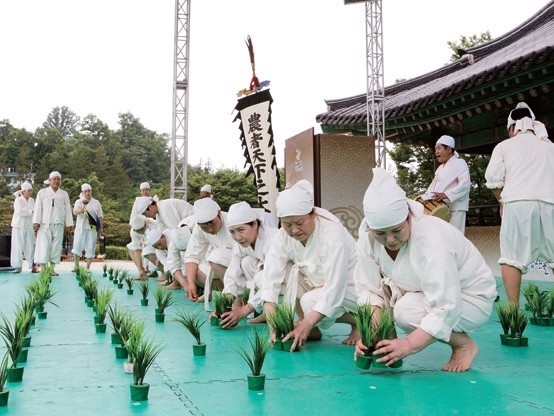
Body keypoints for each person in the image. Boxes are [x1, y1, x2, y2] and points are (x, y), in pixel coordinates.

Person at [354, 168, 496, 372]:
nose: (390, 240)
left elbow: (446, 305)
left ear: (409, 215)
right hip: (419, 292)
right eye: (380, 233)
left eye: (396, 230)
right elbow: (369, 290)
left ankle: (463, 345)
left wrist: (409, 345)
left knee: (406, 311)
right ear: (370, 227)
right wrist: (369, 335)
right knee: (399, 308)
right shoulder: (366, 241)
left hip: (470, 298)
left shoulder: (431, 239)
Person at [260, 180, 359, 351]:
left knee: (309, 301)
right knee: (286, 270)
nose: (294, 230)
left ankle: (361, 321)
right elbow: (269, 280)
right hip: (318, 284)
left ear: (313, 214)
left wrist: (305, 322)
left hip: (353, 288)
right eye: (287, 224)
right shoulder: (283, 236)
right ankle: (312, 329)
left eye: (299, 223)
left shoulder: (332, 234)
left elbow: (335, 287)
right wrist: (273, 327)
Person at [485, 102, 554, 305]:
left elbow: (493, 180)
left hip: (517, 204)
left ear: (511, 127)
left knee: (512, 258)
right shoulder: (550, 146)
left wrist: (501, 202)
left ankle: (514, 312)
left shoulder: (504, 146)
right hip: (551, 203)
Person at [216, 201, 278, 328]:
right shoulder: (240, 246)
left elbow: (271, 280)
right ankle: (267, 311)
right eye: (232, 232)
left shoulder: (272, 239)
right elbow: (232, 274)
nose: (237, 237)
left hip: (286, 279)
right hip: (268, 279)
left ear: (254, 224)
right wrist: (222, 307)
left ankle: (272, 311)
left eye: (241, 230)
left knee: (261, 276)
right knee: (246, 262)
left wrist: (244, 310)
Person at [184, 198, 234, 307]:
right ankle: (225, 292)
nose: (210, 230)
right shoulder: (199, 229)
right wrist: (191, 283)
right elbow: (192, 256)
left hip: (243, 266)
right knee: (194, 274)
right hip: (224, 266)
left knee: (215, 257)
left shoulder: (232, 222)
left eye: (213, 224)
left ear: (219, 213)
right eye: (205, 227)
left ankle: (234, 295)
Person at [420, 135, 471, 234]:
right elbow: (432, 187)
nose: (436, 152)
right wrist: (424, 198)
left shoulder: (460, 163)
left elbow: (465, 185)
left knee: (455, 235)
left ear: (449, 149)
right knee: (443, 236)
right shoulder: (440, 168)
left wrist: (446, 194)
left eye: (439, 148)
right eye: (435, 149)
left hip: (456, 207)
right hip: (440, 207)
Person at [32, 171, 73, 276]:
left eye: (58, 179)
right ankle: (44, 268)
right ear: (49, 180)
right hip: (45, 224)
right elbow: (37, 208)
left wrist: (69, 223)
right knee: (44, 246)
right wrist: (36, 221)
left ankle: (52, 269)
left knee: (56, 247)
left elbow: (68, 209)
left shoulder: (64, 194)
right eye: (54, 179)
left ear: (60, 181)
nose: (56, 181)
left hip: (58, 224)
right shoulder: (42, 192)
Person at [71, 183, 103, 271]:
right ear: (83, 192)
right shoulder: (79, 201)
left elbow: (100, 216)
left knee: (91, 247)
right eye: (86, 191)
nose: (88, 193)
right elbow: (75, 212)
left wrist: (100, 228)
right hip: (81, 227)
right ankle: (76, 266)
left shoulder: (96, 202)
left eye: (89, 191)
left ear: (91, 191)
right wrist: (82, 209)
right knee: (77, 246)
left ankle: (88, 267)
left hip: (92, 227)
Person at [10, 182, 38, 273]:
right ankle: (17, 266)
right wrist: (31, 211)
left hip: (29, 226)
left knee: (31, 245)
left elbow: (35, 212)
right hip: (18, 226)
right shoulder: (18, 200)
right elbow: (19, 211)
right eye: (28, 191)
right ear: (23, 191)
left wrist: (35, 222)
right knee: (17, 246)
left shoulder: (32, 200)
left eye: (31, 191)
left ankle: (33, 266)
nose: (30, 192)